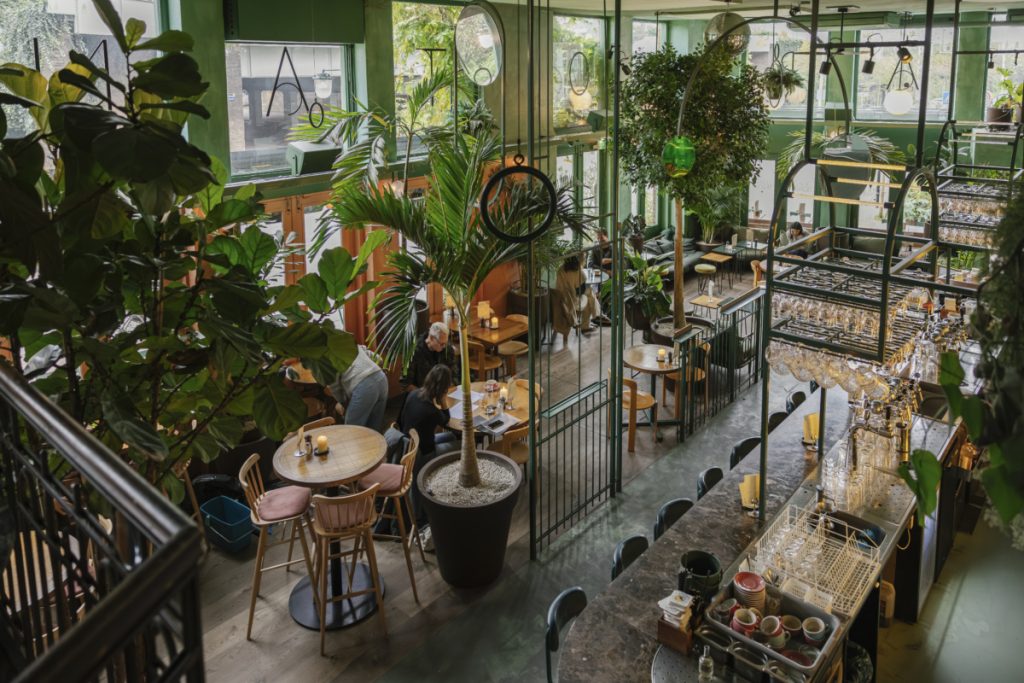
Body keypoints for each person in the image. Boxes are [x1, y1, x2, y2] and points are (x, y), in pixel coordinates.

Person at [400, 365, 459, 542]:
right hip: (424, 453)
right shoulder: (431, 411)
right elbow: (445, 419)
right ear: (442, 389)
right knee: (458, 444)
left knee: (449, 435)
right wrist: (442, 401)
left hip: (407, 444)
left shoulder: (413, 394)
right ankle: (449, 481)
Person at [328, 345, 389, 432]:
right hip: (381, 378)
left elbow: (334, 387)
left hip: (364, 386)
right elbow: (379, 359)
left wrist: (343, 402)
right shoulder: (350, 344)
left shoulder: (328, 356)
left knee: (352, 431)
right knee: (374, 428)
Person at [552, 254, 601, 346]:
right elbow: (581, 290)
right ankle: (589, 322)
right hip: (571, 303)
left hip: (559, 299)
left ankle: (590, 320)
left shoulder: (561, 269)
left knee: (589, 295)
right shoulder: (578, 271)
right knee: (589, 295)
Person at [402, 321, 459, 389]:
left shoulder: (447, 348)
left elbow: (454, 373)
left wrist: (451, 387)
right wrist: (425, 395)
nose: (444, 346)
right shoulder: (414, 352)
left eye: (446, 343)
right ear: (431, 338)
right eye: (441, 344)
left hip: (443, 392)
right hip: (422, 394)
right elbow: (405, 383)